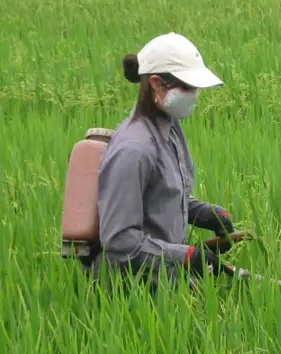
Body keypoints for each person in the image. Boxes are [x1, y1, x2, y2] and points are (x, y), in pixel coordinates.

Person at [95, 32, 246, 287]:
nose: (195, 94)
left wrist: (205, 213)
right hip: (134, 287)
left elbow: (162, 196)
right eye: (187, 87)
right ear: (156, 83)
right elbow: (119, 240)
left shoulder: (170, 127)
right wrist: (186, 255)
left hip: (168, 276)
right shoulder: (135, 149)